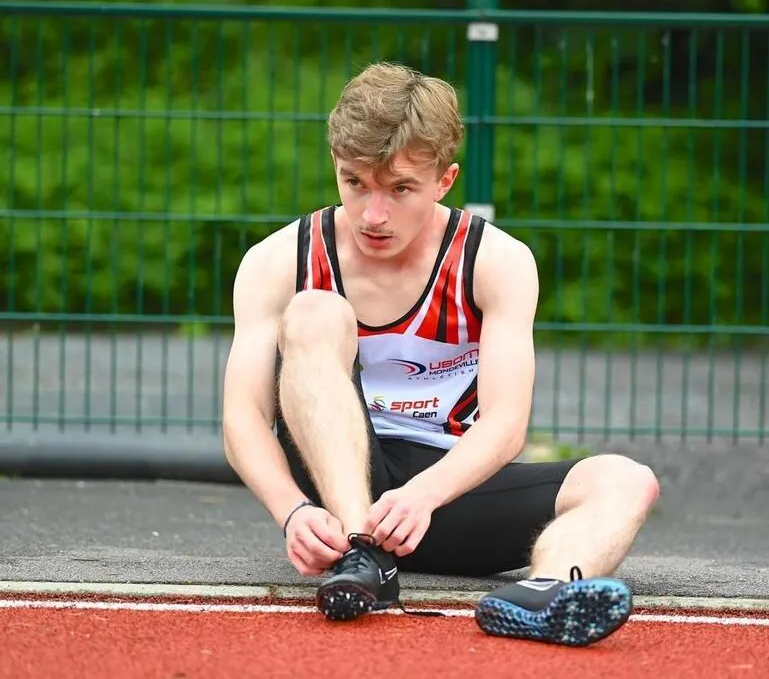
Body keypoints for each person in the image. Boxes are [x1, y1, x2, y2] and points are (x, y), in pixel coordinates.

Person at [221, 61, 660, 647]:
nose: (373, 214)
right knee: (315, 311)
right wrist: (293, 512)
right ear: (335, 165)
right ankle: (362, 559)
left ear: (445, 180)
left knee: (627, 480)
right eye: (355, 183)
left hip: (441, 490)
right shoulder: (278, 261)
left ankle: (545, 593)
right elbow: (243, 418)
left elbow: (506, 424)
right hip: (337, 486)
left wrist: (425, 495)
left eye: (400, 188)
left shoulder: (496, 261)